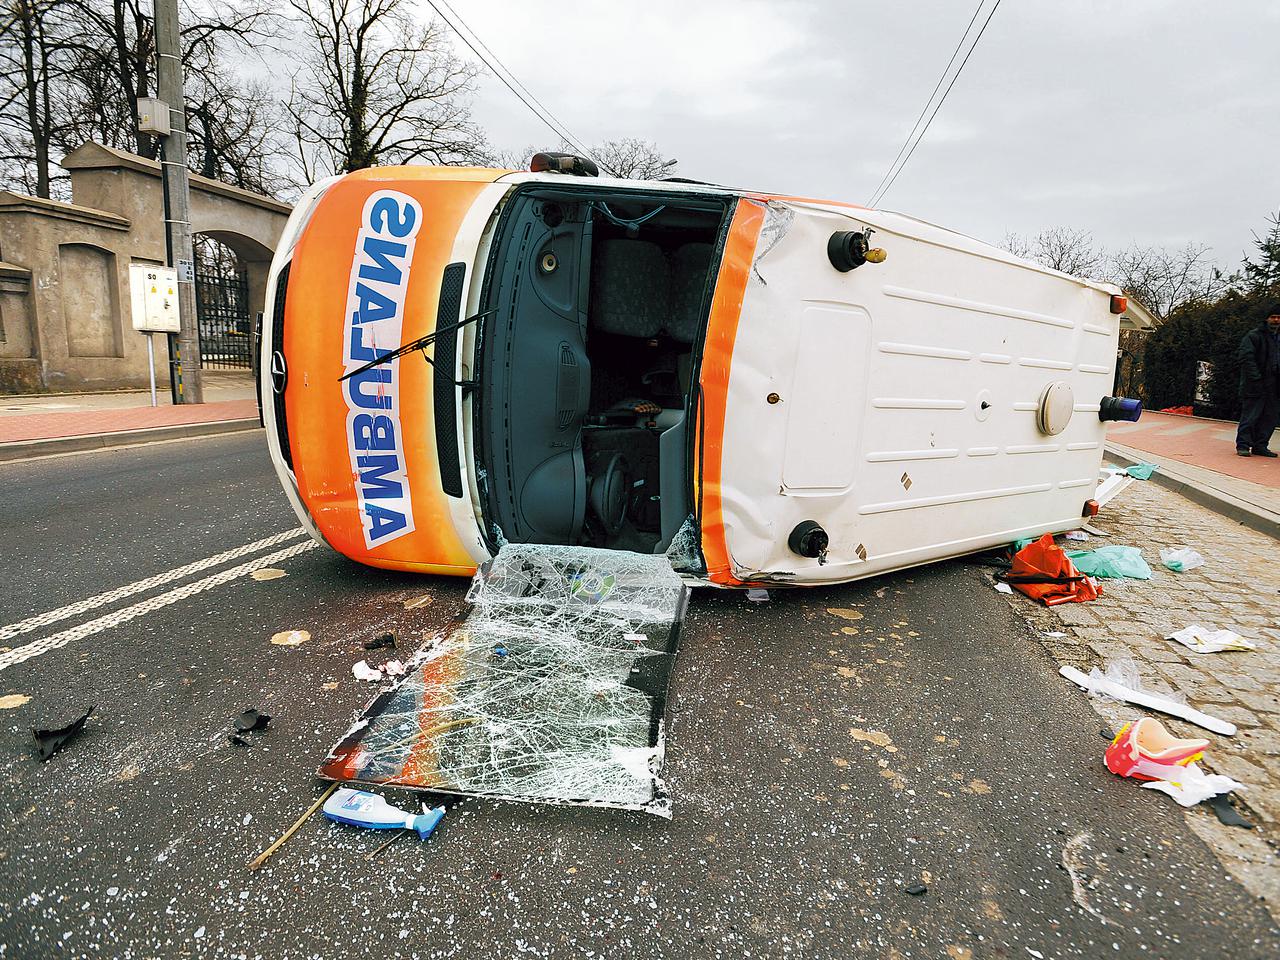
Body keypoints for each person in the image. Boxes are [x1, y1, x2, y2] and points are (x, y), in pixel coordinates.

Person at [1235, 304, 1280, 457]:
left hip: (1275, 385)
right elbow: (1246, 357)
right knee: (1251, 415)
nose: (1276, 320)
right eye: (1273, 317)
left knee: (1270, 417)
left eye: (1279, 318)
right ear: (1267, 319)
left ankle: (1260, 445)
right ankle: (1243, 444)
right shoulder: (1254, 336)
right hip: (1256, 384)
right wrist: (1256, 378)